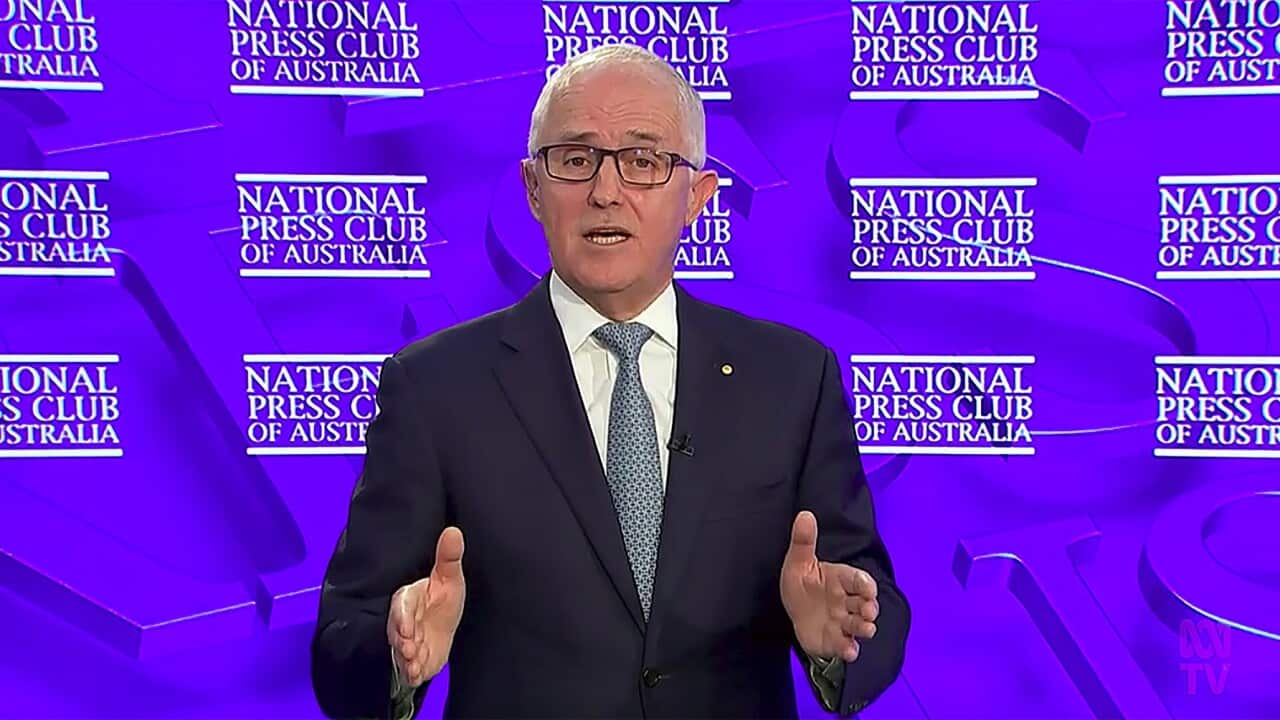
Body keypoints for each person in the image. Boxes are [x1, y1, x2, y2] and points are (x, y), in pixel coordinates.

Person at [310, 44, 909, 719]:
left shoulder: (793, 378)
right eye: (575, 159)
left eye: (644, 160)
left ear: (698, 197)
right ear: (534, 189)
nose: (605, 190)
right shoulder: (435, 389)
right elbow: (341, 642)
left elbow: (868, 602)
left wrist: (841, 638)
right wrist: (396, 651)